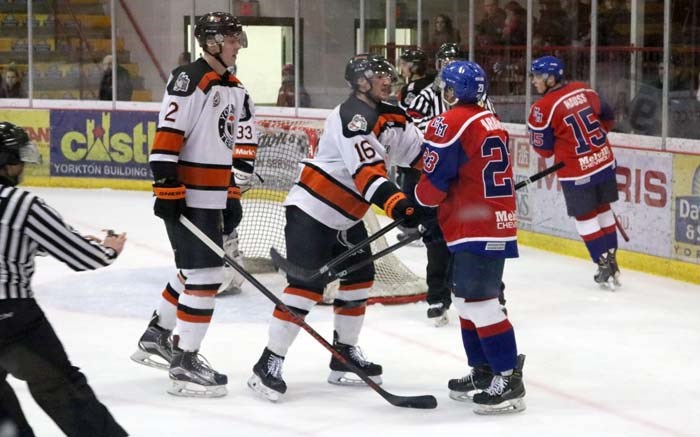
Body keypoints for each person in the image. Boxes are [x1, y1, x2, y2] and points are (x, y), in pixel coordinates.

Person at [247, 54, 423, 402]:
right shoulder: (352, 117)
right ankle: (267, 364)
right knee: (305, 288)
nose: (387, 81)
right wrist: (400, 205)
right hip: (313, 211)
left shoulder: (393, 116)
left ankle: (344, 357)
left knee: (360, 280)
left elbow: (421, 155)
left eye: (388, 76)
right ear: (360, 83)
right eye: (378, 77)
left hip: (348, 216)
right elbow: (368, 174)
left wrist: (442, 191)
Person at [130, 11, 257, 398]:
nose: (238, 45)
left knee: (191, 269)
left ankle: (156, 335)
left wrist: (230, 193)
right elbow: (168, 134)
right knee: (205, 275)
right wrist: (168, 188)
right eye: (233, 39)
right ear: (213, 42)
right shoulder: (191, 77)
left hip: (212, 195)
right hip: (189, 193)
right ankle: (185, 360)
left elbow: (231, 149)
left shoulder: (234, 87)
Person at [0, 122, 128, 436]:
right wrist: (108, 250)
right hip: (12, 317)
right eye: (17, 158)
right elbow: (83, 256)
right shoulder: (22, 204)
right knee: (59, 386)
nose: (22, 166)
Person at [414, 61, 525, 415]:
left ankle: (507, 378)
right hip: (486, 219)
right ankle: (484, 371)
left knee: (480, 304)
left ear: (451, 91)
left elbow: (434, 180)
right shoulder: (489, 119)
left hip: (477, 222)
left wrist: (418, 203)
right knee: (466, 301)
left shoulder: (450, 121)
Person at [528, 56, 621, 288]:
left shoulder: (541, 108)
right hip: (604, 161)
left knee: (586, 218)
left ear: (551, 78)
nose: (533, 81)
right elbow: (608, 117)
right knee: (604, 210)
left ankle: (602, 264)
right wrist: (593, 146)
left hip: (577, 171)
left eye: (537, 76)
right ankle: (612, 260)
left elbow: (544, 151)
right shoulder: (584, 89)